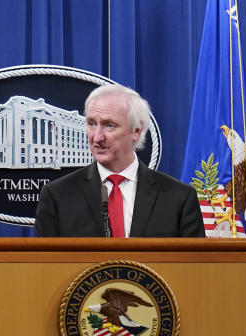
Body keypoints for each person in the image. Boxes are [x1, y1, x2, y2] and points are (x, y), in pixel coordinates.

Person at [34, 83, 205, 238]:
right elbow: (45, 269)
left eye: (109, 125)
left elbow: (193, 269)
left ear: (136, 132)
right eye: (92, 124)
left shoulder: (178, 198)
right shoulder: (57, 197)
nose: (97, 137)